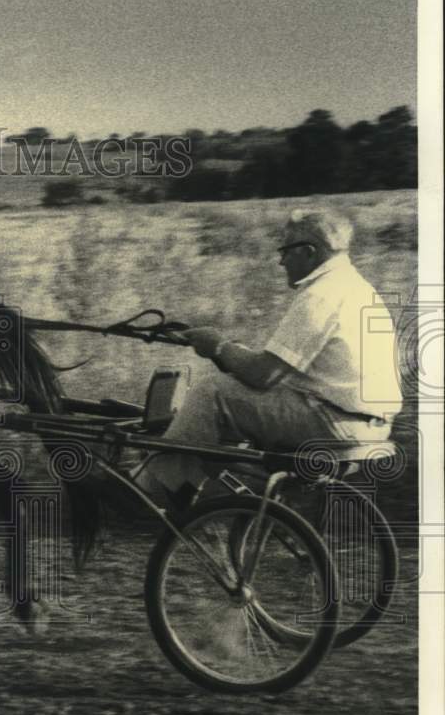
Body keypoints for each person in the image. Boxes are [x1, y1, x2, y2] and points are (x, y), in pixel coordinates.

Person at [133, 209, 403, 511]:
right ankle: (193, 480)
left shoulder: (322, 296)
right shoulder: (354, 286)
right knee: (236, 391)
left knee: (214, 393)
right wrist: (230, 351)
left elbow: (265, 374)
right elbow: (277, 369)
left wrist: (218, 346)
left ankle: (154, 489)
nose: (281, 261)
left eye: (285, 251)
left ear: (309, 252)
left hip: (337, 423)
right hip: (367, 423)